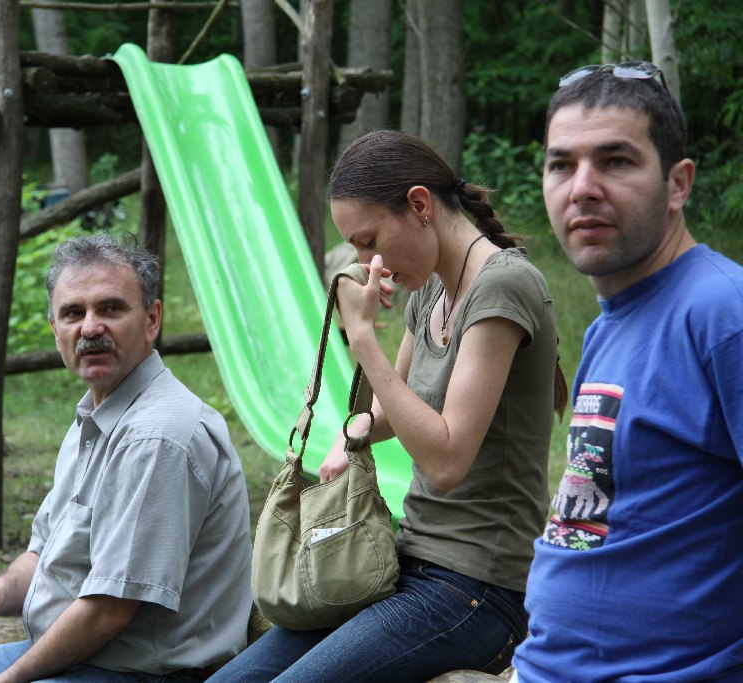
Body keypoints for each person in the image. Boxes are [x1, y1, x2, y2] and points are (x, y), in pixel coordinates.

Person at [212, 130, 567, 682]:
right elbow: (389, 410)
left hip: (480, 588)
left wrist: (363, 340)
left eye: (368, 240)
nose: (365, 261)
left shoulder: (503, 285)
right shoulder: (431, 289)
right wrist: (347, 436)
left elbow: (447, 460)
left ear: (420, 206)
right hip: (408, 560)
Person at [0, 234, 254, 682]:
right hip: (81, 659)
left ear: (152, 319)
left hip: (142, 674)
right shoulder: (97, 415)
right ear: (55, 328)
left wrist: (5, 680)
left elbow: (109, 609)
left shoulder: (157, 435)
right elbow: (44, 553)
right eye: (72, 313)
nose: (90, 328)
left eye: (111, 308)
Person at [512, 62, 743, 682]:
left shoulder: (723, 315)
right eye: (561, 165)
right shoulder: (609, 323)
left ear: (678, 184)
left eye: (615, 161)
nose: (582, 188)